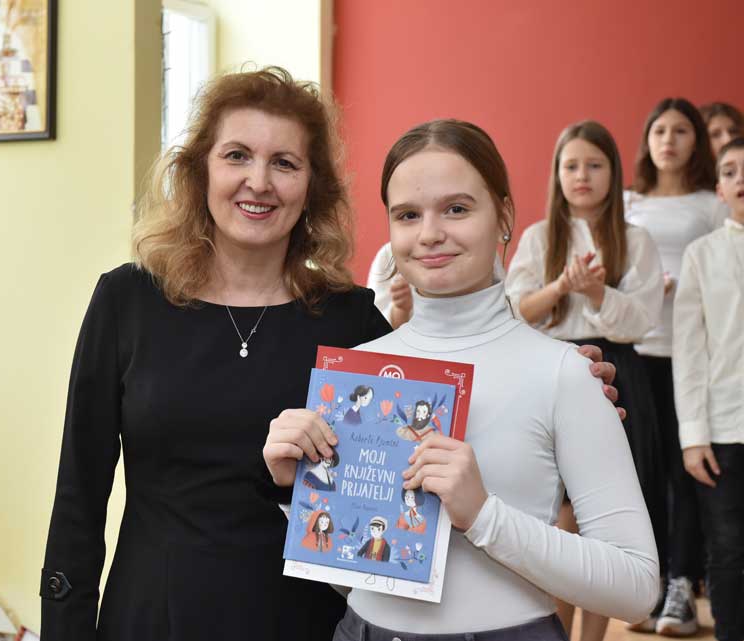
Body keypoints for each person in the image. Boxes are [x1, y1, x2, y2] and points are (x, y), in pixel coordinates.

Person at [40, 67, 621, 641]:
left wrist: (568, 389)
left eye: (284, 163)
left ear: (312, 187)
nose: (259, 182)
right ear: (200, 170)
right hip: (153, 616)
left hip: (306, 621)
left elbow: (451, 416)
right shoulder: (128, 302)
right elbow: (78, 500)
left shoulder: (351, 322)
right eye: (237, 156)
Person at [264, 119, 659, 641]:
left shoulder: (565, 372)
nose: (430, 233)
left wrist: (483, 515)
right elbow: (357, 576)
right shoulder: (361, 373)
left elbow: (636, 588)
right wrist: (299, 492)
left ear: (504, 217)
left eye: (456, 209)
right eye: (408, 215)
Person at [506, 121, 665, 641]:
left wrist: (597, 293)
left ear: (613, 173)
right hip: (553, 370)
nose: (582, 175)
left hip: (616, 372)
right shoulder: (538, 237)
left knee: (605, 521)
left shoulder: (636, 239)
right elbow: (514, 310)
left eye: (594, 165)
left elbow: (641, 319)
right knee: (561, 521)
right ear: (556, 173)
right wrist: (562, 286)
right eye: (571, 165)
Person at [624, 97, 727, 635]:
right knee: (643, 475)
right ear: (647, 140)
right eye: (659, 130)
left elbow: (724, 271)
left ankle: (684, 586)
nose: (668, 140)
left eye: (681, 130)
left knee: (684, 475)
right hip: (635, 352)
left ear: (696, 141)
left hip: (690, 357)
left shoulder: (711, 203)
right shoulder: (629, 202)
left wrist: (679, 289)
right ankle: (654, 582)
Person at [672, 137, 744, 641]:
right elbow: (690, 351)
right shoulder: (701, 255)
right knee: (728, 549)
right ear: (719, 188)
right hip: (723, 426)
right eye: (731, 171)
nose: (742, 179)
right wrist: (693, 436)